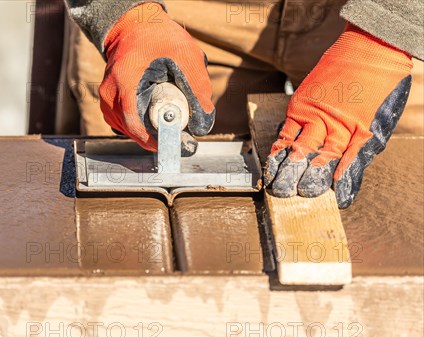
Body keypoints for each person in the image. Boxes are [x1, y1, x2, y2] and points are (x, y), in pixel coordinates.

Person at [63, 0, 423, 208]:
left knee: (392, 215)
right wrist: (124, 14)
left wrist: (388, 33)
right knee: (122, 218)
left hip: (375, 16)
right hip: (180, 12)